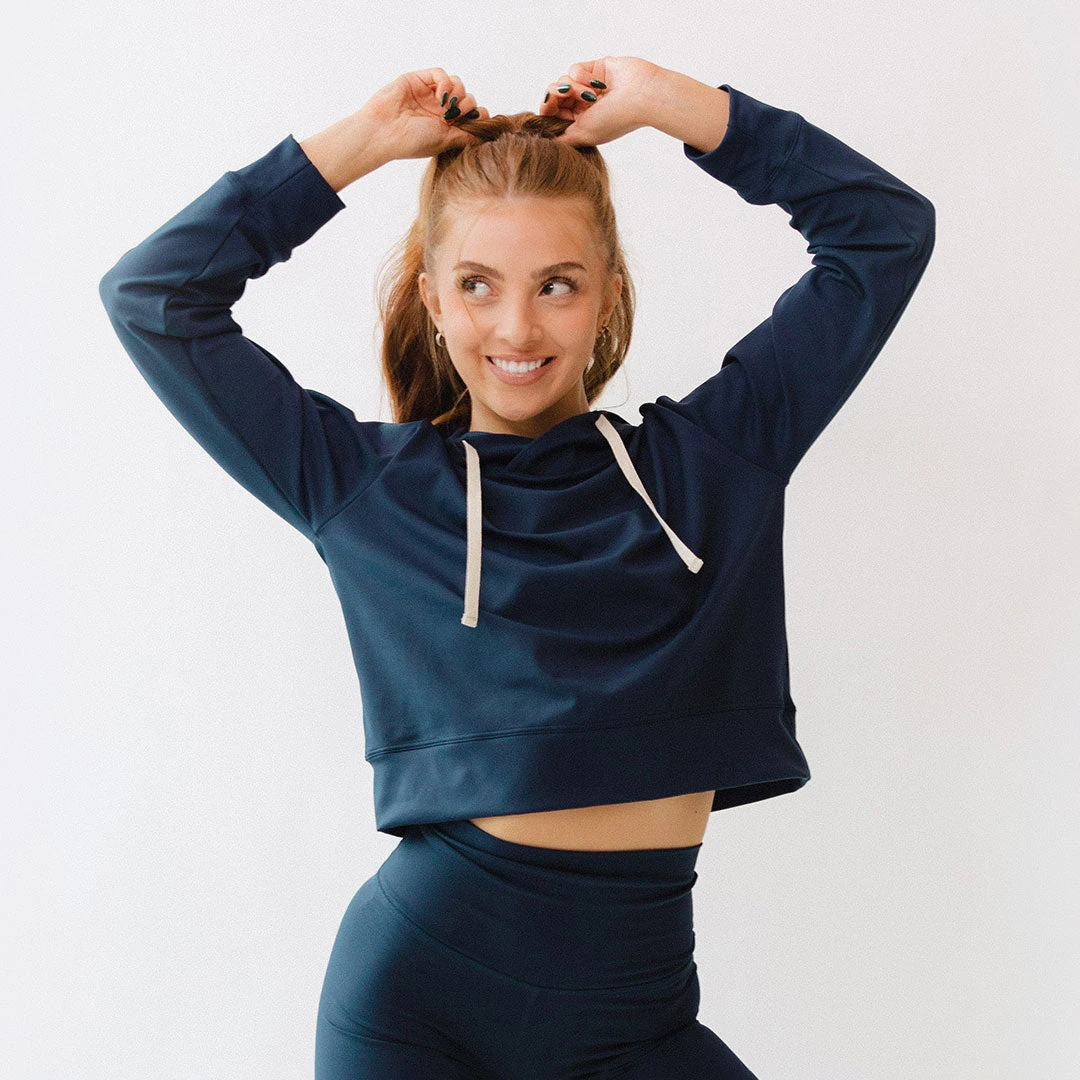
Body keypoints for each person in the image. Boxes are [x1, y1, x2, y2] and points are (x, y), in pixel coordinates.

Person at [99, 56, 935, 1079]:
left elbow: (884, 232)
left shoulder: (714, 465)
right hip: (419, 1007)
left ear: (608, 294)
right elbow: (154, 296)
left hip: (638, 1019)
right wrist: (363, 140)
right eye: (477, 286)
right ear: (433, 299)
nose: (517, 328)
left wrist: (673, 105)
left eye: (557, 285)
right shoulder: (373, 491)